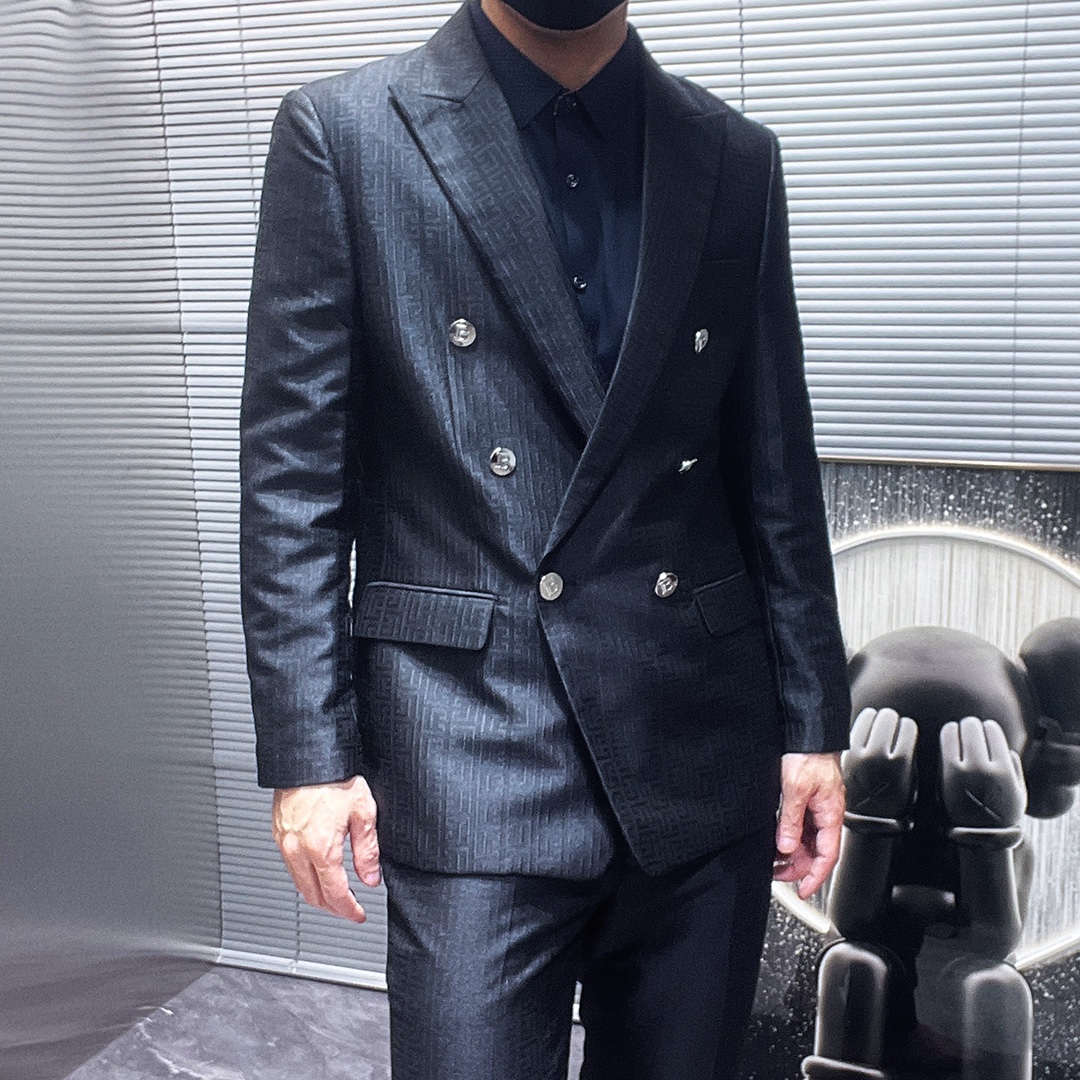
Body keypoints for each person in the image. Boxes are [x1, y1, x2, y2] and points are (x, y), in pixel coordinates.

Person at [239, 1, 850, 1078]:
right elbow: (294, 475)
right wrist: (309, 757)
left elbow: (774, 466)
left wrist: (811, 724)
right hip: (467, 740)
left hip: (697, 738)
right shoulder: (346, 135)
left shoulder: (733, 157)